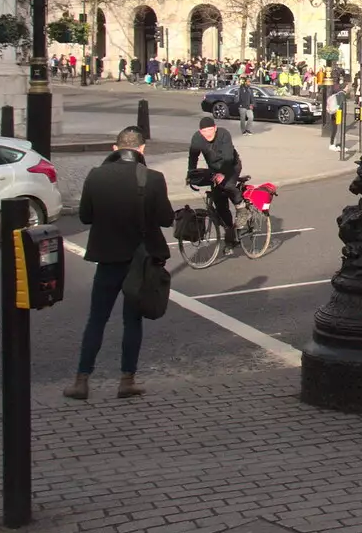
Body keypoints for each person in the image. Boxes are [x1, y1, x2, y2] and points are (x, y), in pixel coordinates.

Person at [62, 127, 175, 400]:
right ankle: (127, 379)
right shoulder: (153, 178)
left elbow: (86, 216)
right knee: (132, 321)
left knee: (97, 320)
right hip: (140, 261)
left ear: (115, 149)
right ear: (142, 150)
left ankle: (81, 380)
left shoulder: (96, 175)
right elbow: (166, 218)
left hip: (108, 259)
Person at [188, 114, 243, 247]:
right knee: (220, 204)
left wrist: (222, 173)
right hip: (214, 169)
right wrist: (191, 174)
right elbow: (193, 157)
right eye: (204, 131)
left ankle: (241, 206)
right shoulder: (197, 139)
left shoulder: (224, 134)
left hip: (232, 166)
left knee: (227, 185)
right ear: (200, 132)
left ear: (215, 128)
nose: (208, 133)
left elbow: (229, 157)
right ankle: (231, 236)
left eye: (210, 130)